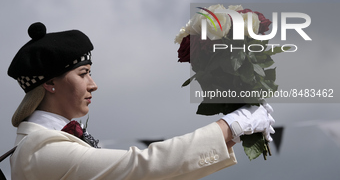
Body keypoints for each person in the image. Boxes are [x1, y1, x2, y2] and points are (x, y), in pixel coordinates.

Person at [8, 22, 275, 180]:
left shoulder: (43, 143)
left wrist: (236, 133)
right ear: (50, 83)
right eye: (84, 74)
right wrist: (231, 125)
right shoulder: (39, 150)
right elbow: (141, 167)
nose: (94, 84)